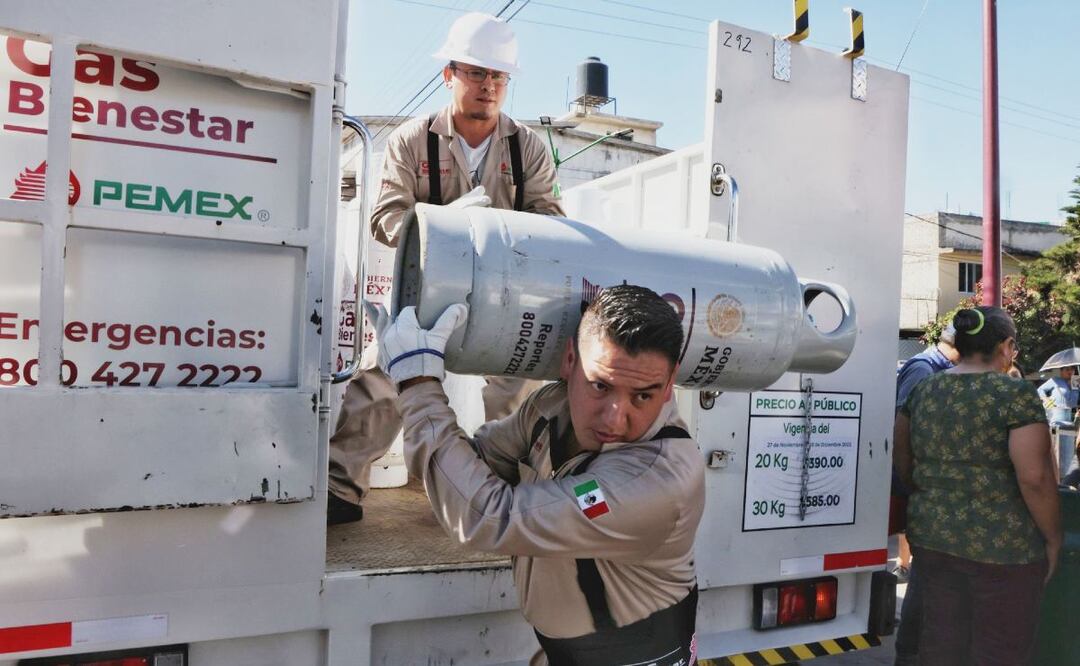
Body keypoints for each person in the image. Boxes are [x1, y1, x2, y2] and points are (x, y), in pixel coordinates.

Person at [364, 285, 705, 666]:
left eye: (643, 395)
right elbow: (462, 469)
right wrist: (409, 370)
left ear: (670, 381)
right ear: (570, 361)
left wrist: (417, 384)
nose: (615, 418)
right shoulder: (551, 408)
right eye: (600, 386)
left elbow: (489, 518)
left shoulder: (656, 482)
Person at [328, 11, 564, 524]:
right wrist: (438, 228)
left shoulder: (528, 149)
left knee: (517, 388)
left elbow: (550, 222)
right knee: (383, 371)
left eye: (498, 76)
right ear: (450, 75)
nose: (489, 86)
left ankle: (510, 495)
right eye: (477, 73)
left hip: (505, 297)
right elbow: (385, 216)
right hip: (428, 288)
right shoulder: (412, 141)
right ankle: (339, 487)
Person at [893, 306, 1062, 666]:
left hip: (934, 541)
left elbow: (903, 459)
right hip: (1002, 551)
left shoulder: (925, 389)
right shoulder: (1013, 395)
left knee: (941, 643)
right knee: (997, 649)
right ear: (1007, 346)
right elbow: (1035, 479)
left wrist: (930, 495)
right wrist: (1053, 537)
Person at [890, 326, 958, 666]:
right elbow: (905, 430)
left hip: (926, 486)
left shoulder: (942, 370)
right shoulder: (923, 368)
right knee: (924, 569)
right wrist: (914, 480)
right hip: (919, 485)